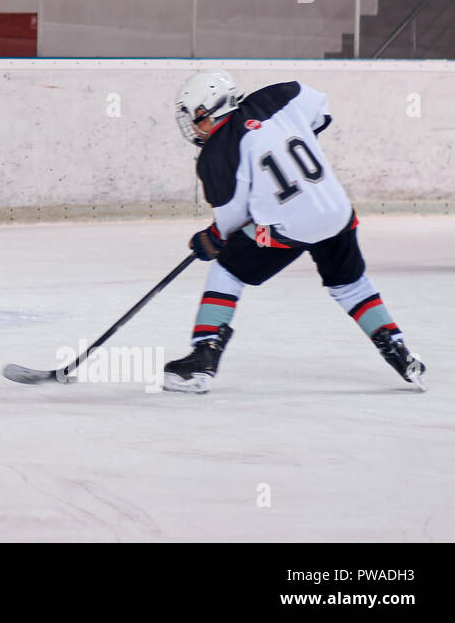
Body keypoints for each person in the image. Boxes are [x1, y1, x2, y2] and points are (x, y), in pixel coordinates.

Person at [164, 70, 426, 393]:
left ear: (210, 109)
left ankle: (204, 355)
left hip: (282, 232)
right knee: (350, 284)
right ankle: (400, 352)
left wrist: (212, 240)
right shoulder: (278, 96)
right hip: (337, 213)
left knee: (227, 269)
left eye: (195, 118)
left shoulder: (215, 155)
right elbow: (321, 108)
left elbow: (231, 223)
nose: (193, 126)